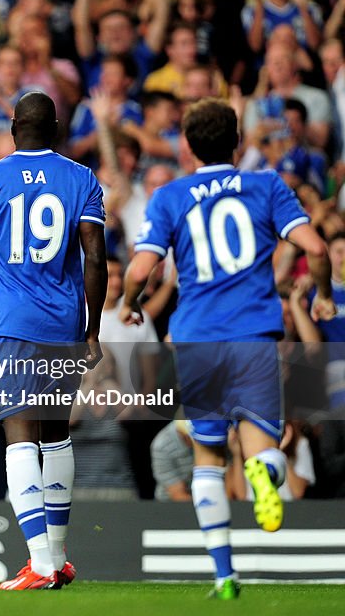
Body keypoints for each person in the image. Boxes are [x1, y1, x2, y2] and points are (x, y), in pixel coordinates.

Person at [121, 98, 336, 599]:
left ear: (188, 147)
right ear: (237, 142)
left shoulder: (171, 196)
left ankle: (223, 573)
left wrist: (132, 304)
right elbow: (318, 248)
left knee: (208, 456)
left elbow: (137, 270)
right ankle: (265, 473)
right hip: (254, 337)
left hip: (197, 339)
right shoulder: (265, 185)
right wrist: (323, 294)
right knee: (263, 446)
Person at [0, 91, 107, 590]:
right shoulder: (82, 178)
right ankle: (59, 557)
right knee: (56, 434)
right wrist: (91, 328)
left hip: (13, 324)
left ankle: (41, 563)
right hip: (64, 324)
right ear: (57, 128)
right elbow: (95, 257)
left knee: (20, 438)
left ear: (12, 125)